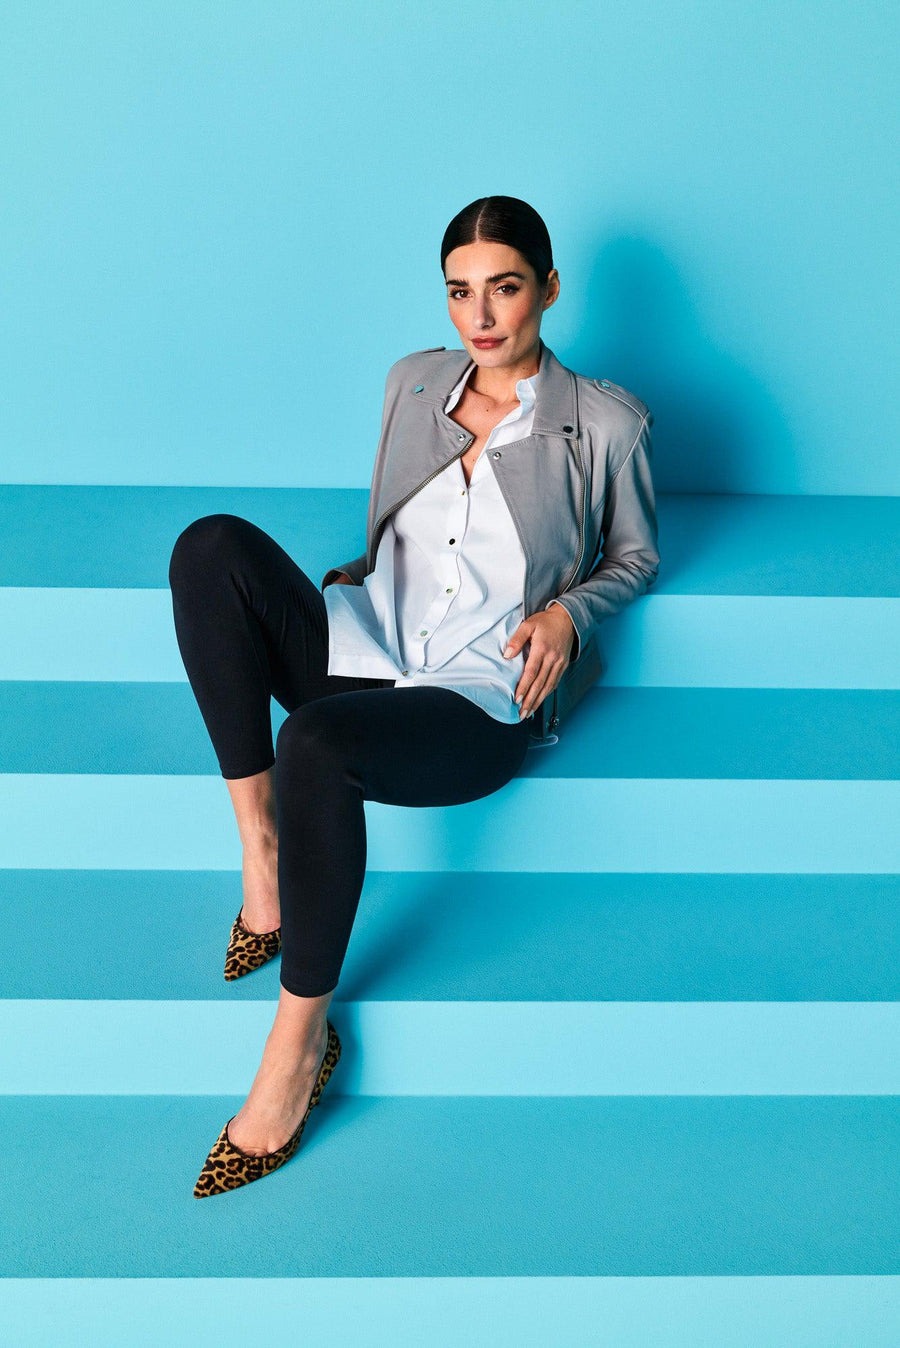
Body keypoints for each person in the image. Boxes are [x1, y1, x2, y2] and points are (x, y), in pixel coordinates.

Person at [168, 195, 660, 1198]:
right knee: (209, 548)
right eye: (460, 292)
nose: (481, 316)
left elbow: (636, 556)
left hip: (476, 693)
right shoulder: (413, 382)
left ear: (548, 289)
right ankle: (263, 853)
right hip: (369, 644)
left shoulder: (606, 423)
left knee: (315, 742)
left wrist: (569, 614)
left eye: (505, 288)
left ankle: (299, 1043)